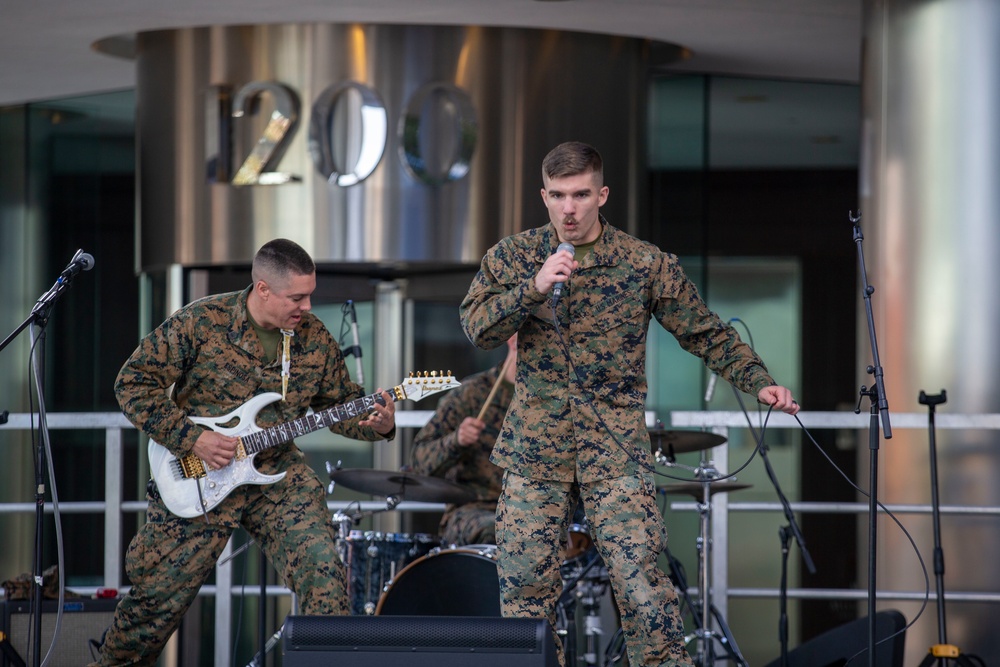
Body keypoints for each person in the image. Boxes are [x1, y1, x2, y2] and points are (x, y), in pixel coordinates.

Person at [459, 141, 800, 667]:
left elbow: (705, 332)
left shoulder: (643, 263)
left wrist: (759, 382)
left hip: (614, 451)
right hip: (535, 448)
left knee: (642, 586)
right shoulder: (515, 256)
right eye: (557, 196)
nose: (568, 208)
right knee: (525, 589)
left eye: (580, 195)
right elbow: (478, 328)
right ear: (543, 196)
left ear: (602, 194)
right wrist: (532, 287)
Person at [91, 239, 396, 666]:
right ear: (263, 289)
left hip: (275, 475)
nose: (307, 306)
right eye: (297, 297)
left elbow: (336, 404)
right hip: (196, 471)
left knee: (324, 572)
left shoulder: (314, 337)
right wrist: (190, 438)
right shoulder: (202, 322)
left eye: (310, 295)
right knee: (155, 606)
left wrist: (377, 424)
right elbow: (132, 384)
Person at [410, 335, 516, 546]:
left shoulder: (553, 400)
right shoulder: (472, 393)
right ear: (513, 339)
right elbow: (419, 460)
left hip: (537, 508)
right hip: (476, 508)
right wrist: (456, 440)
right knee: (502, 531)